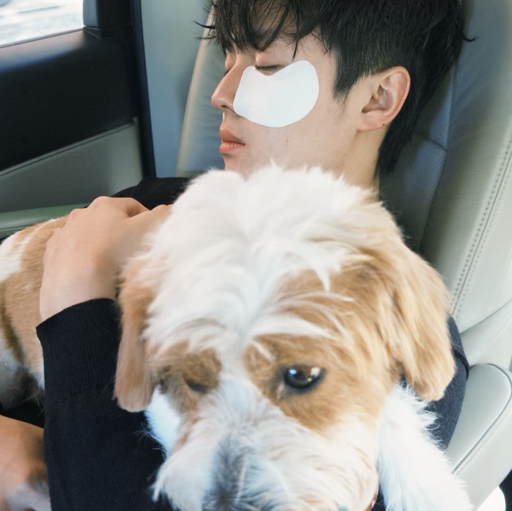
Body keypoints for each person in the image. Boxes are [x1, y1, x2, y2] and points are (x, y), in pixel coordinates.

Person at [0, 0, 470, 509]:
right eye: (227, 60)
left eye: (267, 67)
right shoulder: (153, 203)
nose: (221, 94)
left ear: (378, 97)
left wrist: (78, 289)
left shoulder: (397, 324)